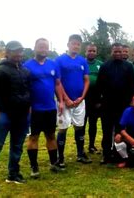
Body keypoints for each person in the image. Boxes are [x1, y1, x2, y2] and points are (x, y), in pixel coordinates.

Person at [0, 41, 31, 193]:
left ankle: (13, 173)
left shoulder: (24, 71)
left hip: (22, 116)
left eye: (20, 51)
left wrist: (28, 109)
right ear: (7, 52)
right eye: (15, 51)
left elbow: (28, 91)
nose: (18, 54)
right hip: (4, 115)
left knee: (17, 147)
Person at [24, 38, 65, 179]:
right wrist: (27, 105)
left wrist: (60, 101)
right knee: (33, 137)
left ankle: (54, 163)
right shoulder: (27, 66)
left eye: (46, 47)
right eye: (41, 47)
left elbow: (58, 84)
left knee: (51, 136)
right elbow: (24, 88)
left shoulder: (53, 65)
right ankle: (34, 167)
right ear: (35, 47)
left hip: (50, 108)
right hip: (34, 109)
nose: (43, 50)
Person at [96, 43, 134, 164]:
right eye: (115, 51)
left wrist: (131, 102)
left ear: (123, 52)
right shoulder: (104, 66)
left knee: (121, 130)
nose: (118, 53)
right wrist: (98, 101)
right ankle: (106, 154)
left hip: (123, 105)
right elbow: (99, 85)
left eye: (120, 51)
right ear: (111, 52)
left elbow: (132, 86)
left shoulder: (128, 67)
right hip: (107, 105)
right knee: (107, 131)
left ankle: (120, 154)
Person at [55, 34, 91, 168]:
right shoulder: (59, 60)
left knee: (80, 127)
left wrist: (82, 97)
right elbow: (57, 82)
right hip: (64, 102)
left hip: (79, 101)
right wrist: (66, 99)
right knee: (63, 129)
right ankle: (61, 158)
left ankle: (80, 154)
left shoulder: (82, 61)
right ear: (68, 44)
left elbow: (86, 80)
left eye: (78, 44)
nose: (76, 46)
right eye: (73, 43)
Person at [84, 43, 103, 154]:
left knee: (93, 123)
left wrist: (100, 100)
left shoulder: (100, 65)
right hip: (83, 98)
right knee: (81, 124)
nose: (91, 52)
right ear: (85, 51)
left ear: (96, 52)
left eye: (93, 51)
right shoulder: (81, 63)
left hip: (95, 99)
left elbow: (103, 82)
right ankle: (80, 147)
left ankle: (91, 145)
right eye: (89, 51)